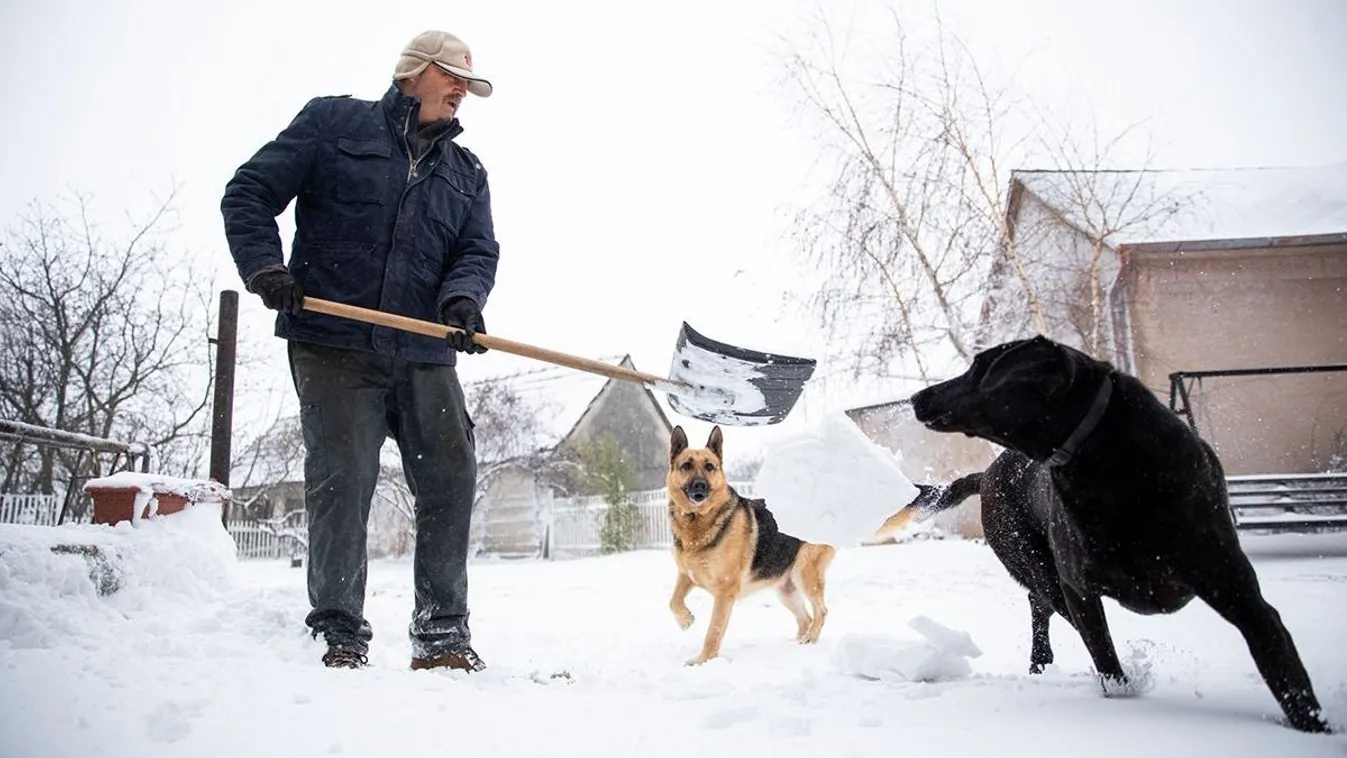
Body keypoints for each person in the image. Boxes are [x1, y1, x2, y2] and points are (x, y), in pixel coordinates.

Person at [221, 30, 499, 672]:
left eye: (468, 84)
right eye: (453, 77)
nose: (462, 91)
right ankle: (339, 632)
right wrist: (265, 268)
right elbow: (249, 193)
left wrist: (462, 299)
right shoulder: (333, 125)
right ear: (414, 71)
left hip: (423, 348)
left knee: (451, 477)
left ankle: (441, 636)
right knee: (342, 482)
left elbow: (477, 250)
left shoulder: (466, 172)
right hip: (334, 344)